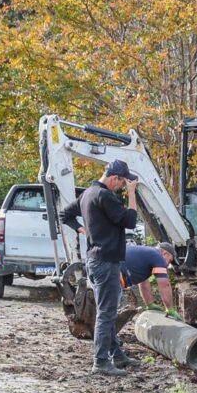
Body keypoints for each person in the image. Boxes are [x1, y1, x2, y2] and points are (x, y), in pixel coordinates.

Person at [61, 160, 139, 377]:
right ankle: (101, 361)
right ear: (115, 178)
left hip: (93, 260)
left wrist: (81, 229)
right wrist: (132, 194)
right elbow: (130, 221)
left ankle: (116, 355)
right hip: (106, 262)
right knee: (106, 313)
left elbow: (64, 214)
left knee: (106, 310)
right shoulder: (105, 196)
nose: (122, 187)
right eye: (123, 184)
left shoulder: (88, 194)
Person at [121, 242, 176, 311]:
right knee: (108, 311)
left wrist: (149, 304)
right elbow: (164, 285)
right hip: (113, 274)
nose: (168, 265)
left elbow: (143, 282)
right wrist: (170, 309)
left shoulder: (146, 254)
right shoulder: (158, 257)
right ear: (165, 253)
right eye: (170, 260)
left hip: (109, 268)